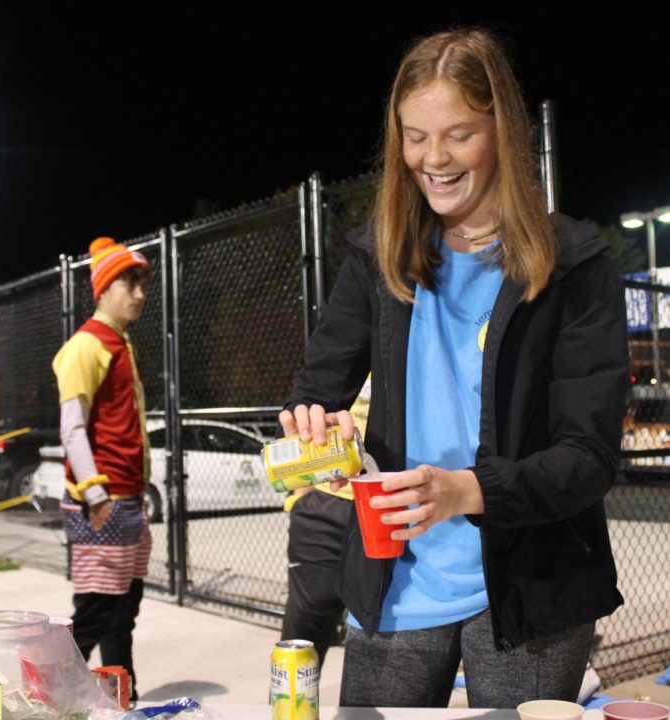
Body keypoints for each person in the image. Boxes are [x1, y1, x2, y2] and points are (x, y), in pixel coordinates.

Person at [279, 29, 627, 709]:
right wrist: (313, 424)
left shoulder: (576, 267)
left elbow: (587, 458)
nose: (432, 159)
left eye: (458, 135)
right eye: (414, 136)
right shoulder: (374, 258)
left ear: (503, 130)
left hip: (530, 597)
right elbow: (317, 386)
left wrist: (464, 492)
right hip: (396, 583)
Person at [52, 236, 153, 699]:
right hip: (104, 500)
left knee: (122, 606)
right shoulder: (86, 345)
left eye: (141, 286)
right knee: (96, 608)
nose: (138, 295)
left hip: (126, 497)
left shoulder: (117, 341)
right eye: (128, 284)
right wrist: (95, 496)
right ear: (103, 287)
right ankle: (50, 691)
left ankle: (119, 695)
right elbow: (73, 428)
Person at [280, 374, 370, 669]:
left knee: (382, 645)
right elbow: (308, 403)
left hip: (390, 503)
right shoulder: (344, 339)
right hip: (326, 501)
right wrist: (301, 494)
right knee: (301, 643)